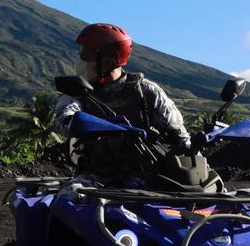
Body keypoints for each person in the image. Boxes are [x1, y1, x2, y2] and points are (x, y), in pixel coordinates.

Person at [54, 23, 192, 179]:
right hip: (95, 179)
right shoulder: (78, 92)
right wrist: (102, 126)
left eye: (86, 56)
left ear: (106, 62)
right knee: (69, 198)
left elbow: (181, 139)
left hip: (149, 180)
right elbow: (63, 120)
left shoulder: (147, 92)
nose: (80, 61)